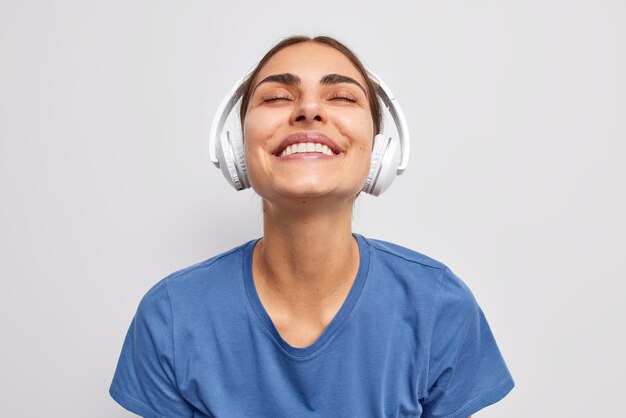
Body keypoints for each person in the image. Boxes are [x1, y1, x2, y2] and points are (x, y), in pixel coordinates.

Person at [109, 35, 514, 418]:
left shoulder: (438, 306)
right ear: (235, 151)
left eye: (340, 96)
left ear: (380, 153)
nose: (308, 110)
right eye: (277, 97)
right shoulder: (171, 317)